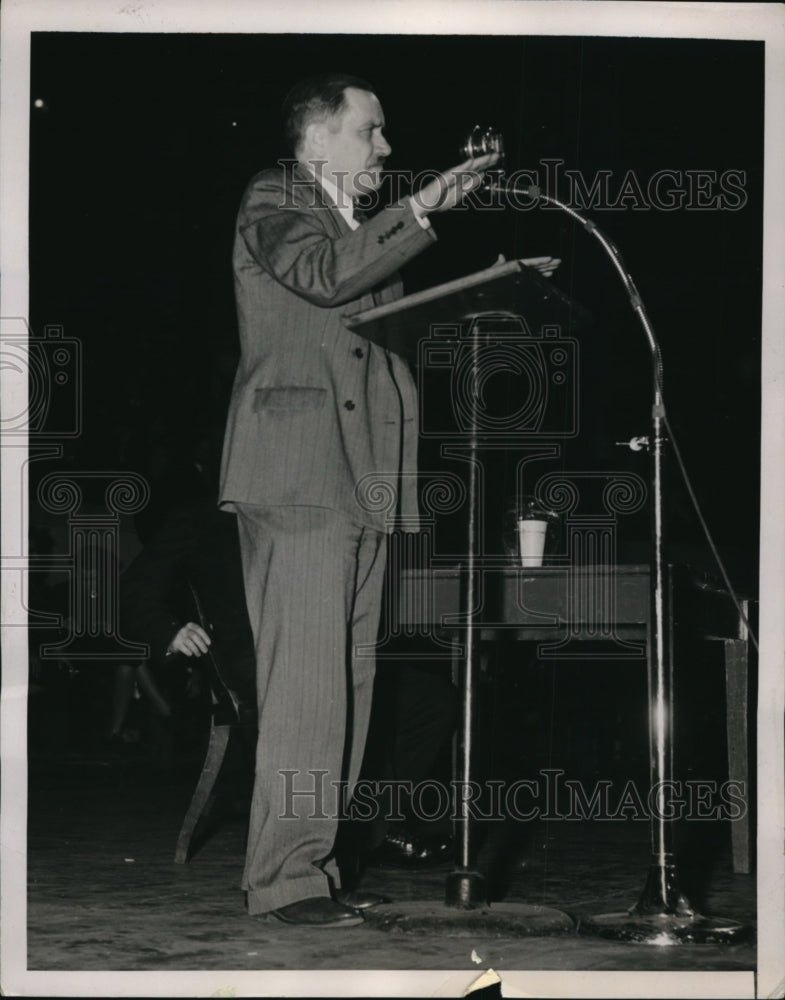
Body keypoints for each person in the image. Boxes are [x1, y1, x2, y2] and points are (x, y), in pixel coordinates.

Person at [218, 71, 503, 928]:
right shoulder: (277, 195)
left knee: (346, 683)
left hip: (363, 475)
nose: (385, 146)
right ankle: (286, 879)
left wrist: (480, 298)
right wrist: (422, 208)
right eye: (369, 132)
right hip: (298, 473)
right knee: (307, 688)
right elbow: (325, 277)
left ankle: (315, 864)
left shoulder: (353, 225)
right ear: (317, 140)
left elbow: (374, 328)